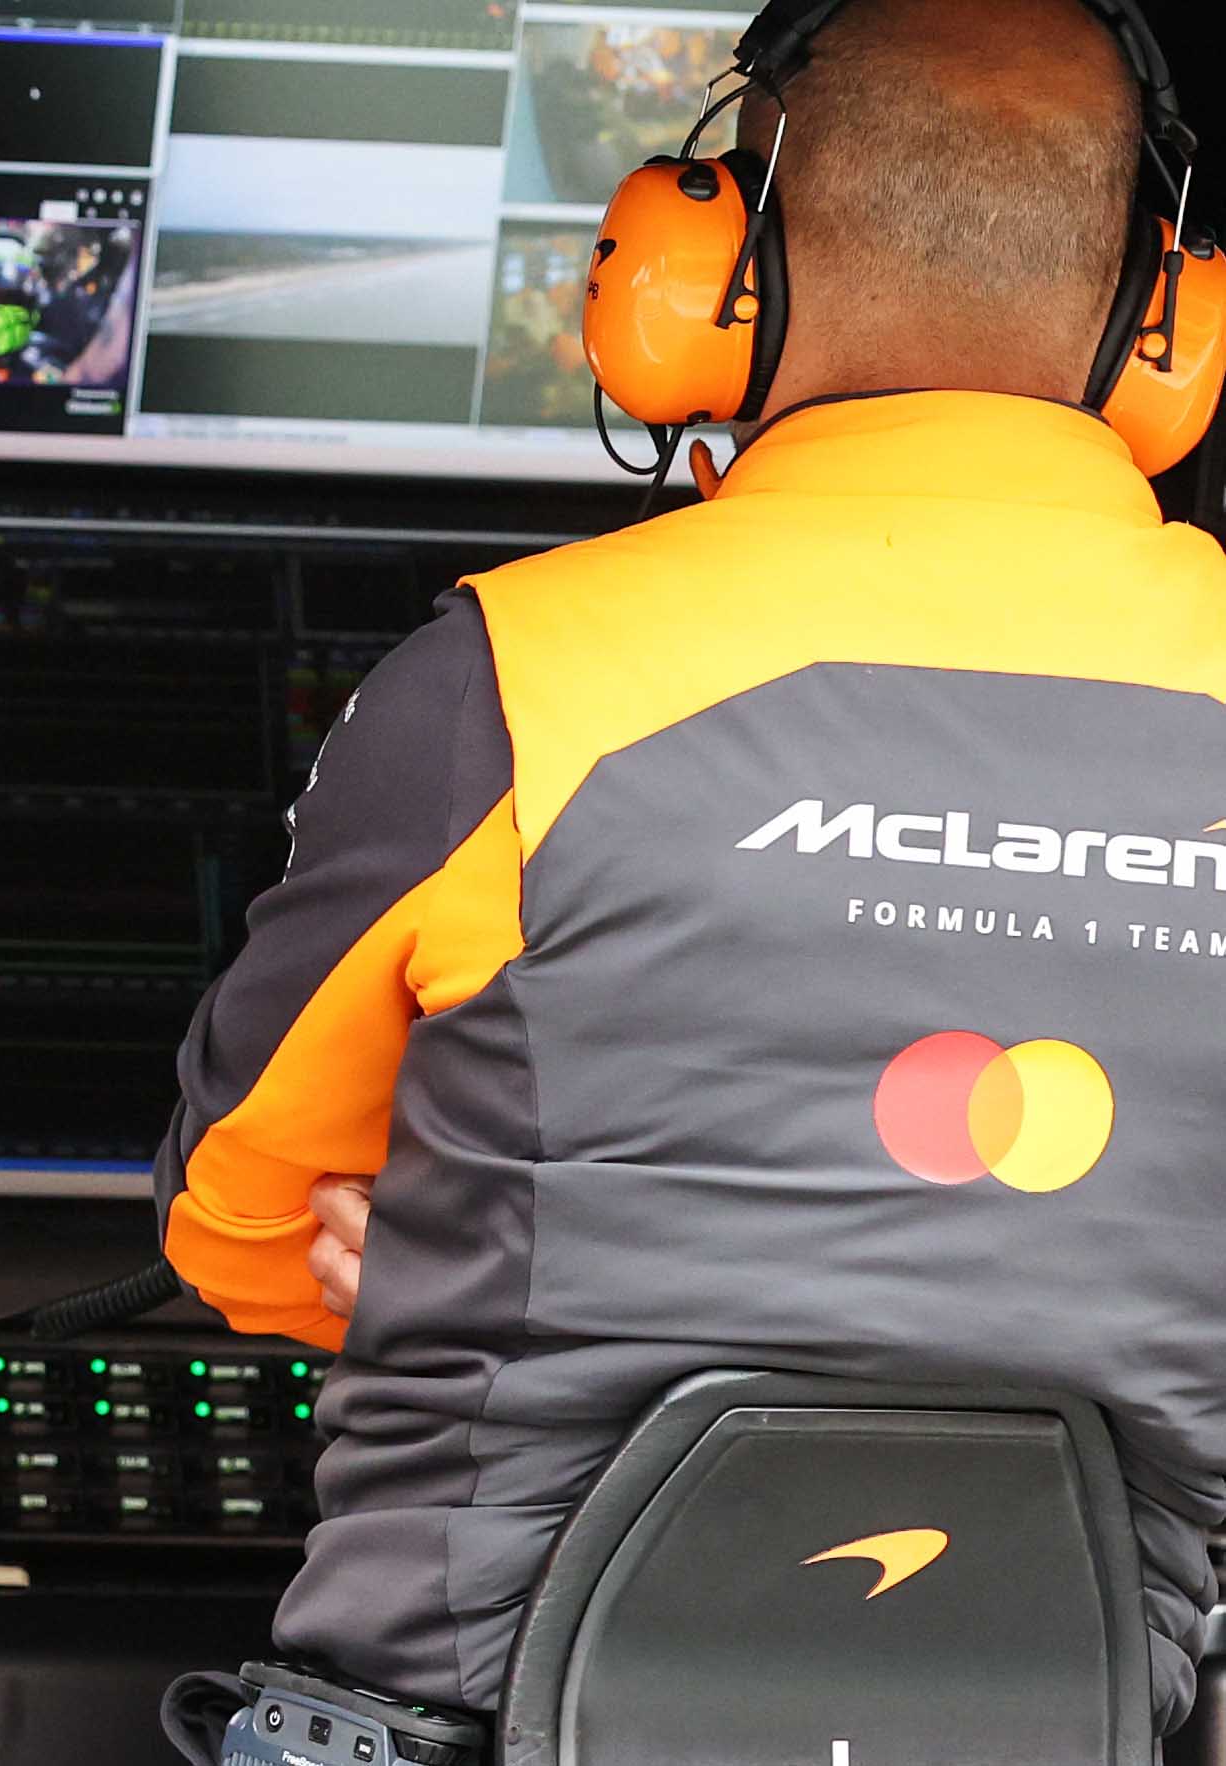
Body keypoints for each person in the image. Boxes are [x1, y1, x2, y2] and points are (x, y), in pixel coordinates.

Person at [158, 0, 1226, 1726]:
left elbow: (238, 1211)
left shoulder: (513, 685)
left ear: (711, 267)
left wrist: (436, 1243)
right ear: (1165, 322)